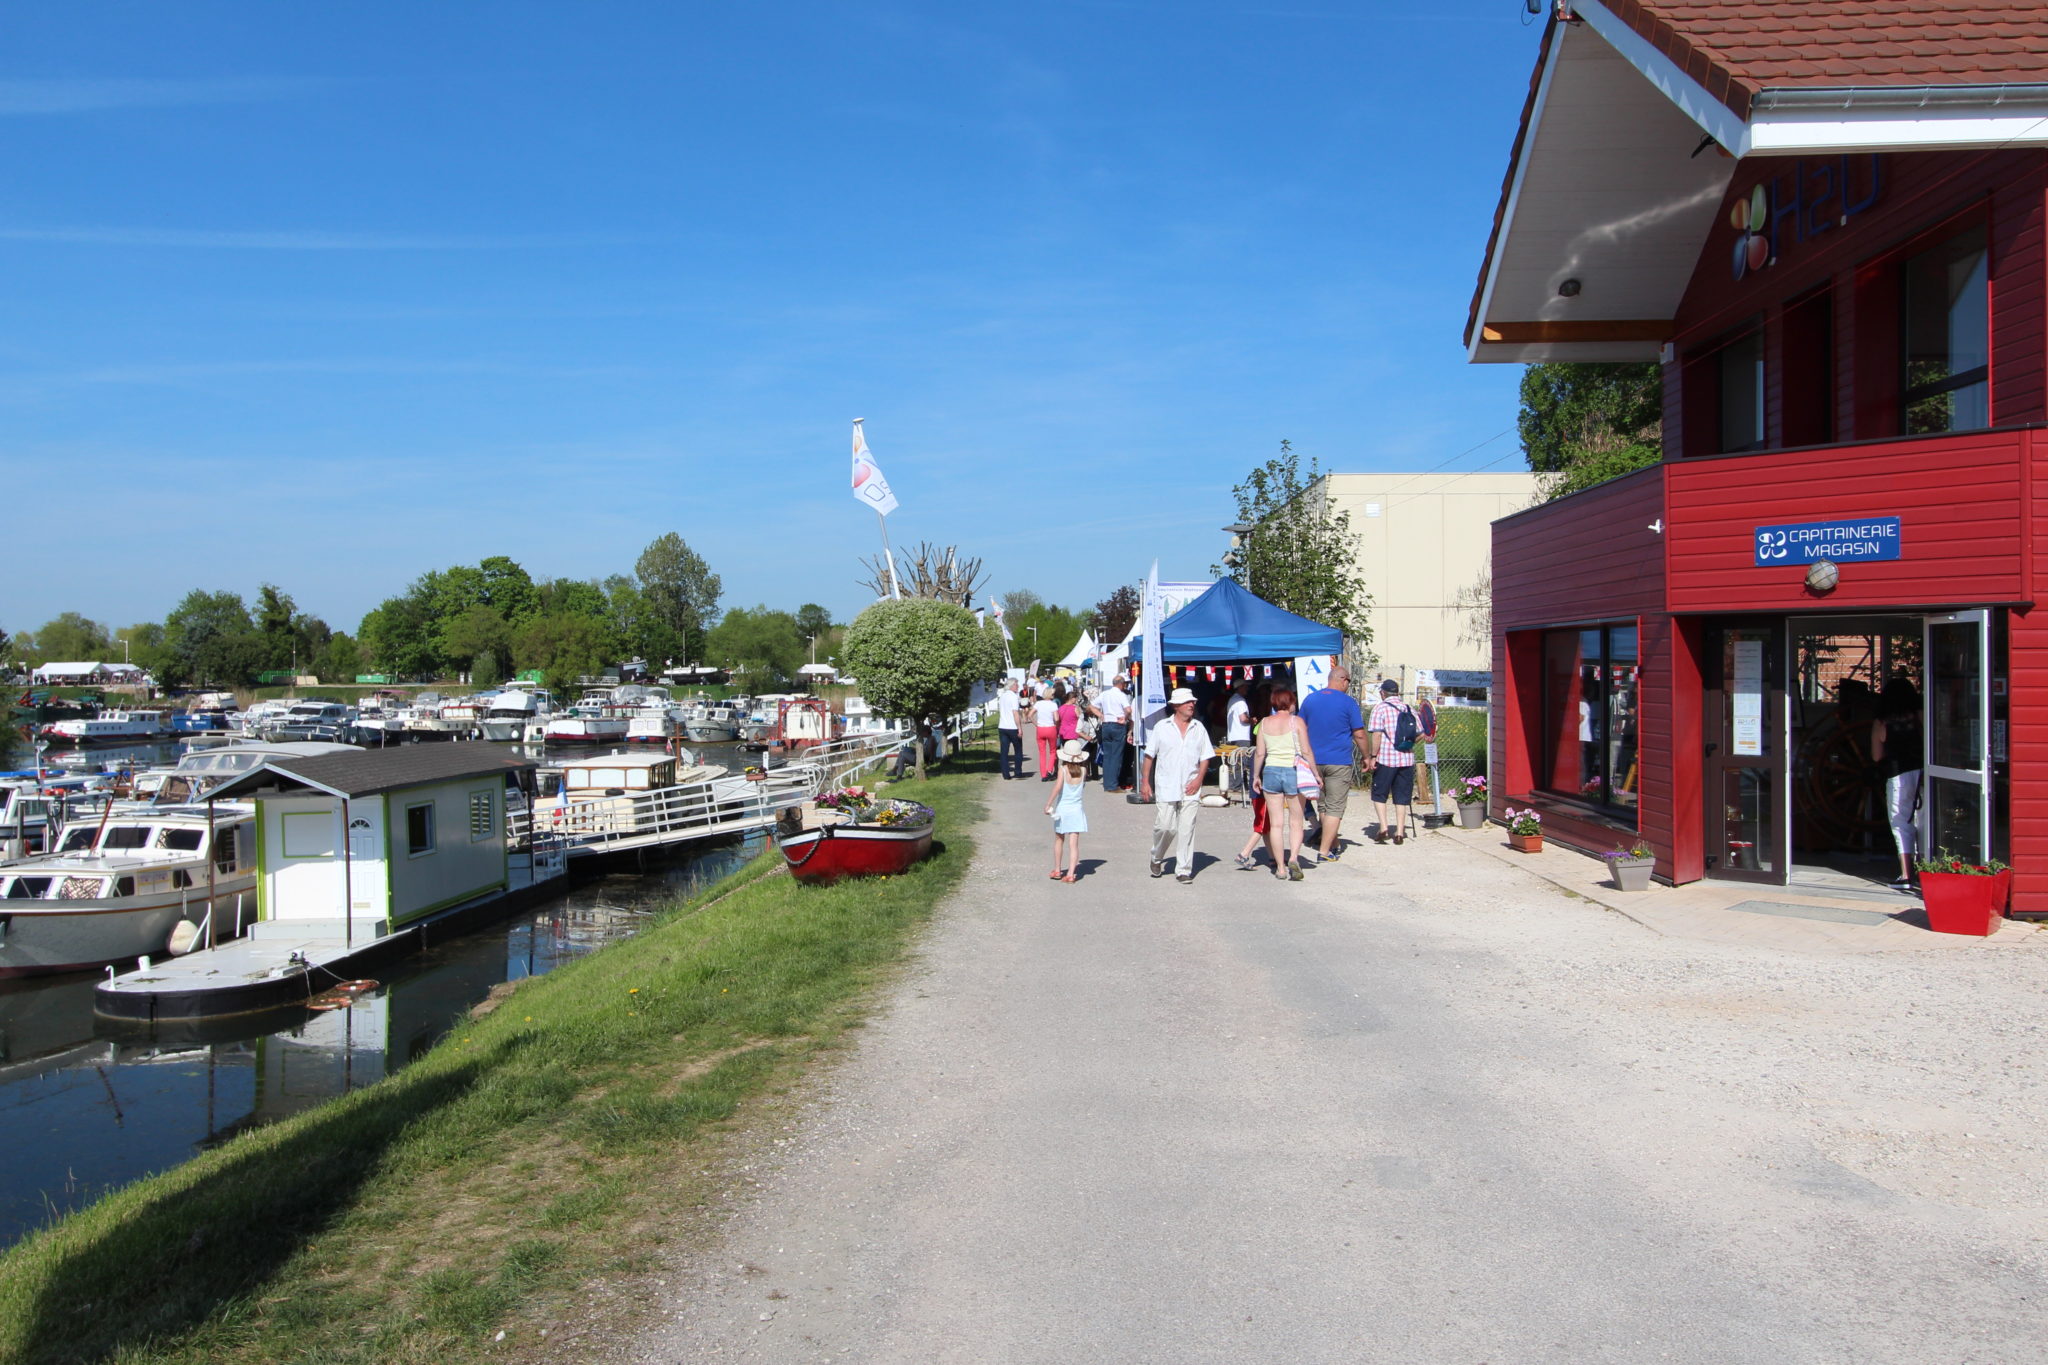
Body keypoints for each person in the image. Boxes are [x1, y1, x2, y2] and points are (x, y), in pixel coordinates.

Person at [1141, 686, 1215, 884]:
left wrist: (1199, 779)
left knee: (1186, 828)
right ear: (1176, 706)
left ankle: (1183, 869)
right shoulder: (1162, 727)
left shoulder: (1198, 728)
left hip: (1191, 785)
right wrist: (1145, 781)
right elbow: (1149, 756)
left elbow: (1206, 757)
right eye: (1187, 702)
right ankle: (1157, 856)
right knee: (1165, 826)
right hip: (1166, 784)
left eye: (1192, 702)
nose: (1192, 705)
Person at [1299, 666, 1366, 865]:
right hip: (1338, 760)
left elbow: (1300, 727)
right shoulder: (1348, 702)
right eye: (1349, 682)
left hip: (1314, 760)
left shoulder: (1311, 699)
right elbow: (1359, 733)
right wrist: (1367, 756)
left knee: (1323, 803)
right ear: (1343, 680)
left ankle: (1332, 842)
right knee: (1335, 807)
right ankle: (1325, 850)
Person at [1251, 684, 1314, 881]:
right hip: (1293, 770)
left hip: (1270, 770)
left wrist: (1256, 776)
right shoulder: (1297, 722)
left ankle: (1280, 867)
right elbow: (1306, 751)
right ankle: (1293, 857)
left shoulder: (1264, 723)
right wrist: (1316, 774)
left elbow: (1260, 752)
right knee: (1296, 821)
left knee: (1276, 824)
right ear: (1290, 702)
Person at [1872, 676, 1924, 892]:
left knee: (1900, 822)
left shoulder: (1881, 723)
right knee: (1923, 821)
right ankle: (1927, 870)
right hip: (1922, 772)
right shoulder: (1918, 716)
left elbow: (1876, 756)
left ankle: (1906, 874)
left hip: (1897, 775)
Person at [1366, 678, 1419, 845]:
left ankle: (1383, 827)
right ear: (1397, 693)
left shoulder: (1380, 708)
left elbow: (1377, 734)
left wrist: (1373, 756)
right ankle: (1400, 831)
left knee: (1379, 793)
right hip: (1406, 759)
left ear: (1383, 693)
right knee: (1402, 795)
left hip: (1386, 759)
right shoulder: (1409, 708)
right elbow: (1420, 733)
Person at [1044, 738, 1090, 882]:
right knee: (1073, 844)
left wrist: (1048, 803)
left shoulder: (1063, 770)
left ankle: (1057, 870)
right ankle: (1071, 873)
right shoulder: (1083, 770)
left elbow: (1058, 787)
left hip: (1063, 809)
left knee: (1059, 839)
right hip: (1077, 809)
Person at [1096, 674, 1134, 792]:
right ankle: (1113, 785)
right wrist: (1125, 717)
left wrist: (1100, 715)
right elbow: (1128, 709)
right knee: (1116, 756)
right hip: (1117, 725)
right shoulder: (1121, 695)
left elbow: (1091, 706)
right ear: (1121, 684)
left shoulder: (1104, 694)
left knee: (1108, 755)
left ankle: (1108, 783)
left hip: (1106, 724)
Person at [996, 679, 1024, 780]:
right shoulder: (1013, 697)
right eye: (1016, 685)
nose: (1018, 686)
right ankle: (1018, 771)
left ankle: (1005, 773)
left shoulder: (1002, 696)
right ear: (1012, 686)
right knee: (1018, 750)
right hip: (1012, 727)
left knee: (1004, 751)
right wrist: (1019, 728)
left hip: (1002, 726)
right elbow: (1015, 713)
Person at [1032, 686, 1059, 780]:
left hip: (1040, 728)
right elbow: (1056, 718)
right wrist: (1057, 725)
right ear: (1050, 695)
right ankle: (1049, 769)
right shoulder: (1053, 704)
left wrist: (1035, 723)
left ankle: (1043, 774)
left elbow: (1030, 714)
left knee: (1042, 752)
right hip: (1051, 728)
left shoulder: (1038, 703)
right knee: (1052, 751)